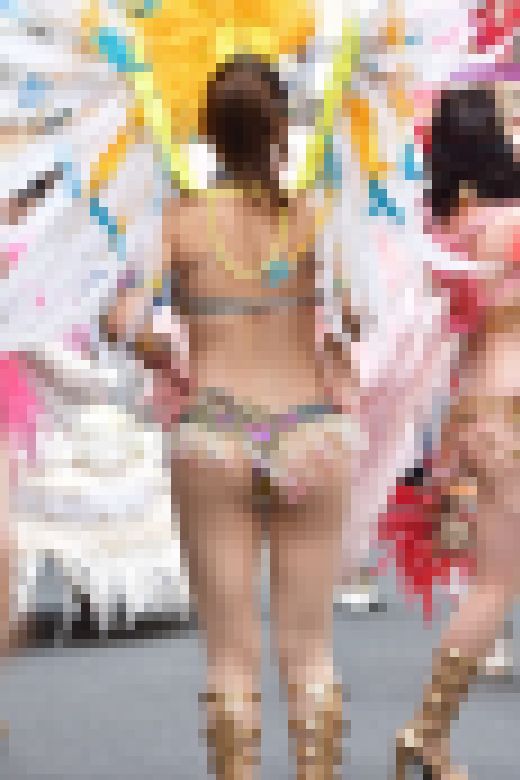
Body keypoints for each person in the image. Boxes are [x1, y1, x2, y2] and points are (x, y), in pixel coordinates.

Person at [101, 54, 356, 778]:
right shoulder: (319, 215)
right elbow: (359, 317)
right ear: (281, 128)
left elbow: (119, 320)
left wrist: (164, 355)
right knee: (311, 651)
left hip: (214, 432)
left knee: (230, 656)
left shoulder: (178, 220)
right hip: (313, 431)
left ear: (209, 133)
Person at [396, 74, 520, 779]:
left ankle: (430, 733)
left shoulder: (446, 230)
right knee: (495, 584)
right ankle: (426, 731)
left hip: (474, 403)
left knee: (492, 581)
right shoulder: (512, 224)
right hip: (512, 406)